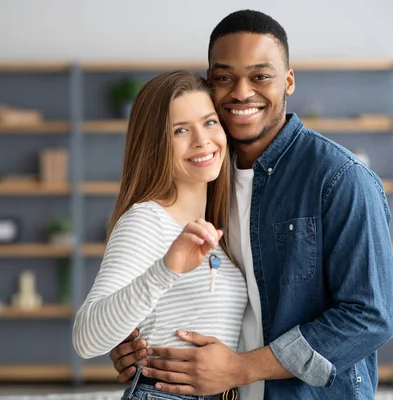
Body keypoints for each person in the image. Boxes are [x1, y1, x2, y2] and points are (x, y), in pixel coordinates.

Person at [110, 9, 393, 400]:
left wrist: (240, 368)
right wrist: (135, 342)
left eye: (260, 76)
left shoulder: (341, 179)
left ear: (288, 81)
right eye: (224, 78)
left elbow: (370, 317)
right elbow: (179, 284)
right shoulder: (204, 175)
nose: (242, 92)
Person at [72, 70, 248, 400]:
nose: (201, 140)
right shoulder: (147, 220)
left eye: (209, 122)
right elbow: (86, 338)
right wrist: (166, 269)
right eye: (180, 130)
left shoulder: (222, 223)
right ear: (156, 145)